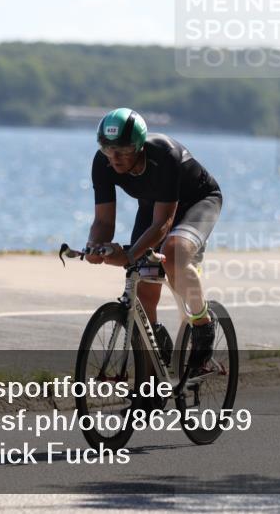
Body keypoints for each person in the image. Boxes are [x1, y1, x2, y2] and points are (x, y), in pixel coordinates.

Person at [84, 107, 222, 373]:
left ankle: (203, 325)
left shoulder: (163, 154)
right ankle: (152, 386)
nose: (114, 157)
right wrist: (93, 246)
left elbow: (163, 224)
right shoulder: (103, 162)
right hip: (154, 205)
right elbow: (103, 222)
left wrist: (129, 254)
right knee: (144, 287)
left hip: (197, 202)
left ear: (138, 146)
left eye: (123, 150)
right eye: (107, 149)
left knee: (173, 253)